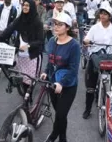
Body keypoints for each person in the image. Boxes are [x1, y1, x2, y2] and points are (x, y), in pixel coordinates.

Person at [41, 12, 80, 142]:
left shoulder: (74, 45)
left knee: (61, 113)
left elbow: (73, 69)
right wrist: (46, 71)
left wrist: (62, 83)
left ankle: (53, 136)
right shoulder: (52, 41)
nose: (56, 27)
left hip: (68, 86)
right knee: (59, 115)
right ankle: (63, 138)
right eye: (55, 24)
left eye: (60, 24)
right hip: (52, 83)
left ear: (67, 27)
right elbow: (50, 61)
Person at [82, 5, 112, 119]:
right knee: (90, 85)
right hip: (95, 57)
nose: (102, 15)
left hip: (109, 58)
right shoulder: (95, 27)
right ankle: (87, 109)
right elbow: (87, 39)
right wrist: (87, 41)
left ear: (109, 16)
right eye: (101, 13)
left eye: (105, 13)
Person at [0, 0, 44, 91]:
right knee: (22, 80)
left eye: (27, 6)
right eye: (24, 5)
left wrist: (28, 45)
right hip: (20, 55)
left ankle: (28, 100)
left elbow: (40, 41)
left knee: (29, 82)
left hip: (32, 56)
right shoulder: (20, 19)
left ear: (32, 8)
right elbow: (9, 30)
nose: (25, 7)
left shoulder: (37, 22)